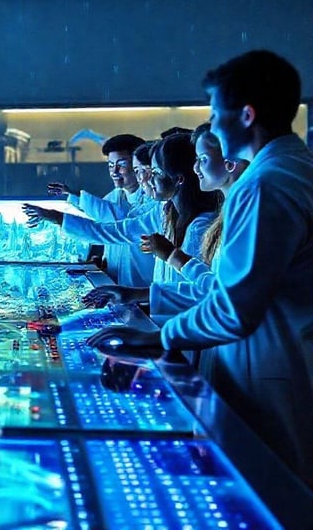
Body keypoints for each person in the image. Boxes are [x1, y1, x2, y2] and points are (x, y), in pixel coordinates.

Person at [87, 50, 313, 485]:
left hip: (264, 375)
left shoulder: (266, 185)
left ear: (245, 115)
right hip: (269, 363)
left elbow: (233, 307)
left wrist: (157, 338)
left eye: (215, 112)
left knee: (265, 487)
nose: (206, 126)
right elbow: (230, 290)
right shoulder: (290, 169)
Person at [24, 133, 220, 298]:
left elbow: (199, 294)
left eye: (154, 172)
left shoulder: (199, 226)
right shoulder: (164, 212)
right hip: (162, 319)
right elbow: (114, 230)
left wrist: (170, 256)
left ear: (179, 178)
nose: (147, 178)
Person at [47, 134, 156, 286]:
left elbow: (116, 220)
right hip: (116, 288)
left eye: (121, 164)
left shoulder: (154, 200)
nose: (114, 172)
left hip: (144, 290)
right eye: (111, 165)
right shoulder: (112, 197)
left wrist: (63, 208)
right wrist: (102, 261)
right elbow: (103, 225)